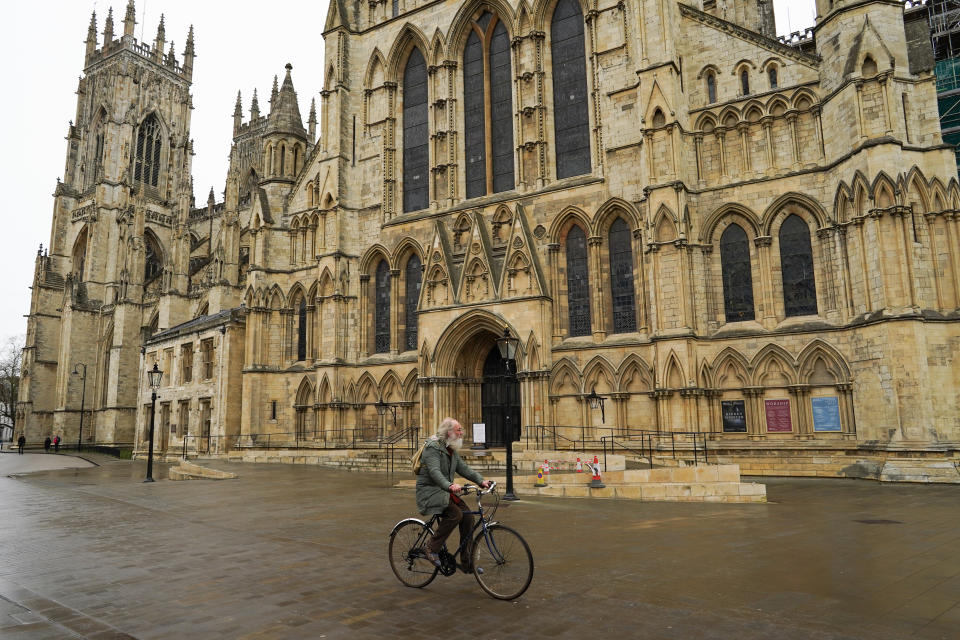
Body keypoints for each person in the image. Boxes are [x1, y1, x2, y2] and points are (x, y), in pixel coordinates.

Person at [415, 417, 491, 573]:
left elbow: (464, 469)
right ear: (449, 432)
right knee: (455, 514)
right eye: (459, 430)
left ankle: (467, 563)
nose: (462, 433)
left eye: (461, 430)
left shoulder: (451, 451)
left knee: (468, 516)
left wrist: (481, 481)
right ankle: (430, 547)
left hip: (444, 492)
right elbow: (435, 472)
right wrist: (449, 485)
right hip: (430, 493)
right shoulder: (432, 448)